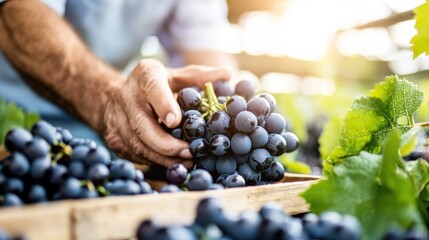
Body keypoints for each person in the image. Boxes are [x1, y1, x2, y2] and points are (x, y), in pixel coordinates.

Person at [0, 0, 237, 169]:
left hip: (95, 143)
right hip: (10, 121)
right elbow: (19, 11)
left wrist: (227, 122)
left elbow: (206, 54)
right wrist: (106, 98)